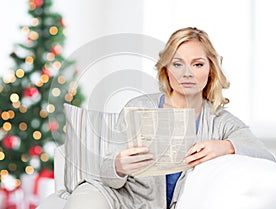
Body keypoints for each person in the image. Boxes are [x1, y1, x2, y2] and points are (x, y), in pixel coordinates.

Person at [63, 27, 276, 209]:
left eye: (198, 64)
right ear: (166, 69)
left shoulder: (219, 120)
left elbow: (266, 158)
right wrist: (119, 166)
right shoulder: (140, 107)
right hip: (121, 199)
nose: (187, 73)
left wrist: (227, 146)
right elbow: (105, 170)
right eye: (177, 64)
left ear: (210, 70)